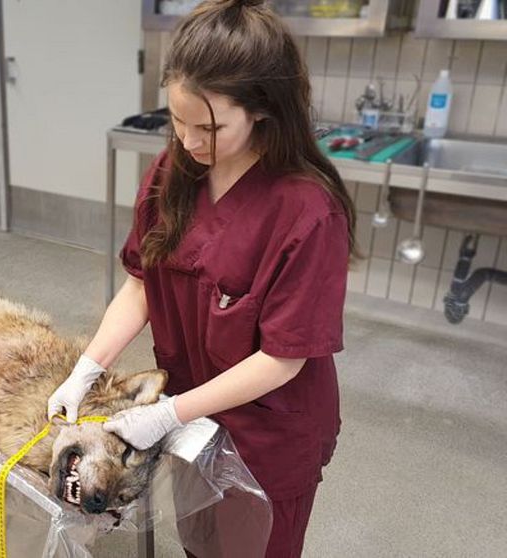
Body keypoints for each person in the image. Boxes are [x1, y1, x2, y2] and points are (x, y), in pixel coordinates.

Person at [47, 0, 357, 556]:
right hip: (193, 411)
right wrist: (87, 369)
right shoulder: (176, 171)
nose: (189, 142)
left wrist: (166, 413)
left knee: (249, 545)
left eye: (210, 127)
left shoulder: (308, 211)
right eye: (177, 121)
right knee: (199, 539)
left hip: (267, 429)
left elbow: (284, 358)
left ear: (262, 111)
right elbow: (142, 282)